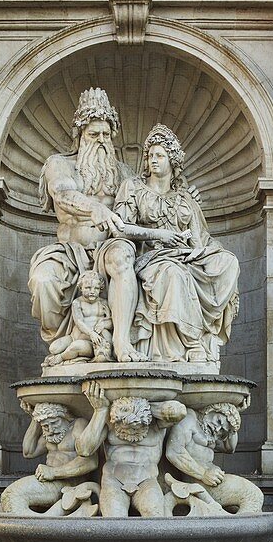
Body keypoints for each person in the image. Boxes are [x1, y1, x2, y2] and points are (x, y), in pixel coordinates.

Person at [28, 88, 144, 362]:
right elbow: (62, 194)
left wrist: (182, 194)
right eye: (94, 134)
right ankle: (62, 341)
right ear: (79, 135)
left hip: (109, 248)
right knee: (43, 281)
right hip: (70, 250)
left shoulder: (125, 174)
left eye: (106, 135)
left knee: (123, 255)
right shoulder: (60, 164)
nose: (101, 141)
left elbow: (147, 205)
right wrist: (95, 207)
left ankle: (121, 341)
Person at [109, 124, 240, 363]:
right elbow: (120, 228)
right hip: (152, 258)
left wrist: (199, 254)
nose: (153, 161)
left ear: (172, 161)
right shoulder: (133, 188)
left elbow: (200, 238)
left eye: (160, 155)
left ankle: (205, 336)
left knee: (228, 262)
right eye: (150, 156)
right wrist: (160, 235)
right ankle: (191, 344)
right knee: (174, 273)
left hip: (185, 255)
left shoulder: (185, 199)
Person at [75, 383, 186, 517]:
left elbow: (179, 412)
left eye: (136, 427)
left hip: (147, 481)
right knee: (114, 521)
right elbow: (84, 450)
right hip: (114, 481)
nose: (130, 432)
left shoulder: (156, 424)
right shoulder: (110, 424)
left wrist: (145, 408)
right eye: (124, 426)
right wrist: (101, 411)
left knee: (155, 517)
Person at [0, 401, 99, 514]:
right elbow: (28, 452)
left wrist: (54, 472)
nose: (51, 430)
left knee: (12, 495)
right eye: (45, 426)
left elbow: (91, 461)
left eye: (55, 423)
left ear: (64, 417)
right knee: (1, 508)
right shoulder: (50, 434)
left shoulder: (78, 425)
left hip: (68, 482)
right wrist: (35, 419)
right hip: (50, 481)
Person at [165, 402, 263, 514]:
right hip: (199, 479)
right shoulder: (189, 419)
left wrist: (234, 419)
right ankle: (236, 530)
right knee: (253, 495)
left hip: (212, 479)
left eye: (222, 430)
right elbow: (174, 451)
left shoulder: (210, 432)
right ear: (213, 410)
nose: (217, 430)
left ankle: (236, 529)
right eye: (219, 421)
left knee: (252, 506)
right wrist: (203, 474)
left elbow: (230, 448)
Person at [43, 270, 113, 366]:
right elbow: (79, 321)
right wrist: (91, 333)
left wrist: (104, 324)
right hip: (74, 337)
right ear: (81, 288)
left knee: (75, 347)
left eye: (96, 288)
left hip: (92, 343)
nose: (92, 292)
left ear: (100, 289)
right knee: (54, 348)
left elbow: (112, 322)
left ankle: (60, 357)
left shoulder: (103, 303)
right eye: (88, 288)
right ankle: (67, 353)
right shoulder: (77, 302)